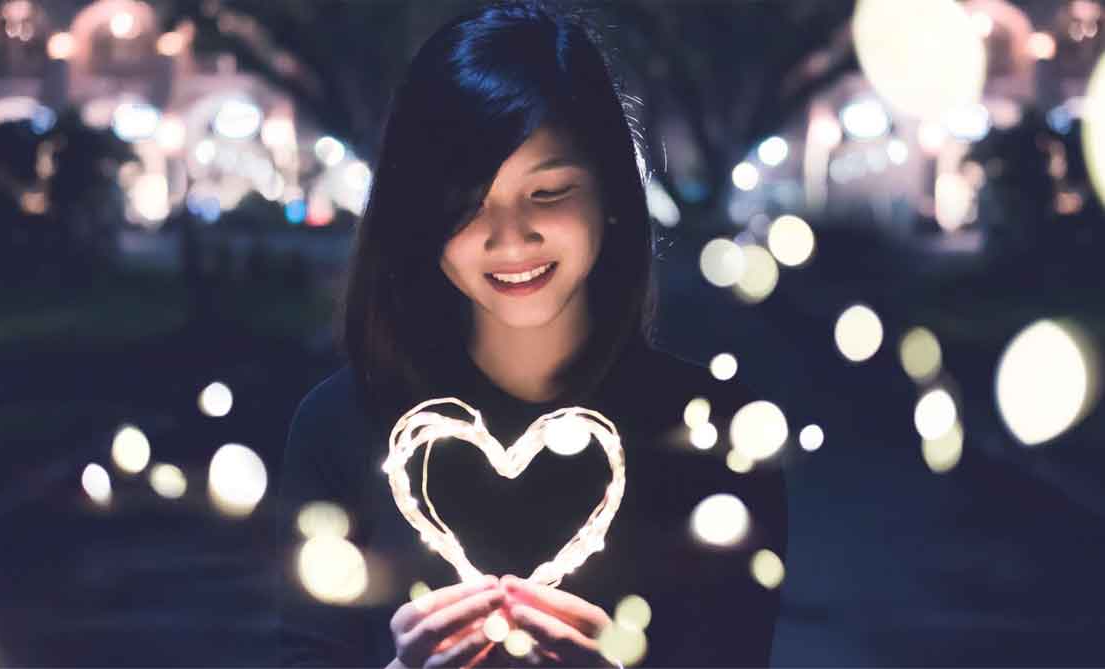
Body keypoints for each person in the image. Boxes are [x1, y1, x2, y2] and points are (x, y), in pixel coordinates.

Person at [274, 1, 788, 666]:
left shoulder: (716, 437)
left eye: (548, 193)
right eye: (466, 202)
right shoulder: (339, 428)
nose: (509, 238)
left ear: (609, 196)